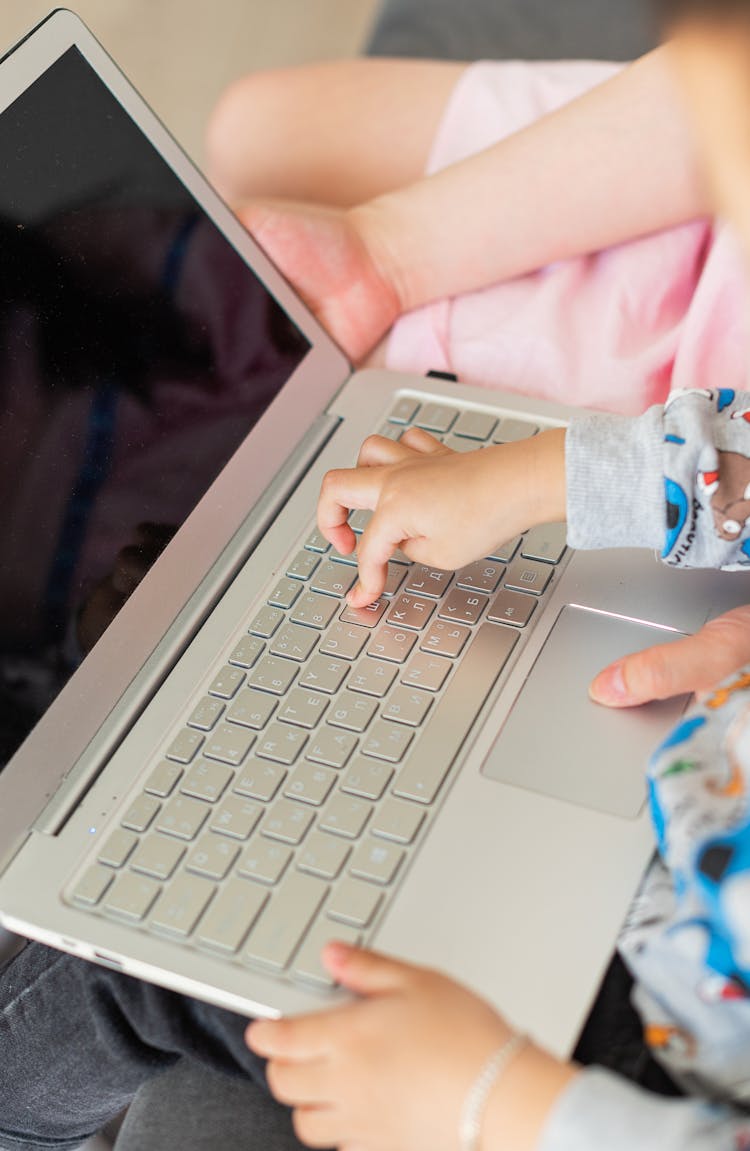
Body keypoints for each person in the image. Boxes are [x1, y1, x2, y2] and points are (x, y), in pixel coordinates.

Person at [2, 5, 750, 1151]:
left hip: (629, 1044)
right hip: (696, 749)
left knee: (125, 959)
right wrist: (542, 476)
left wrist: (494, 1096)